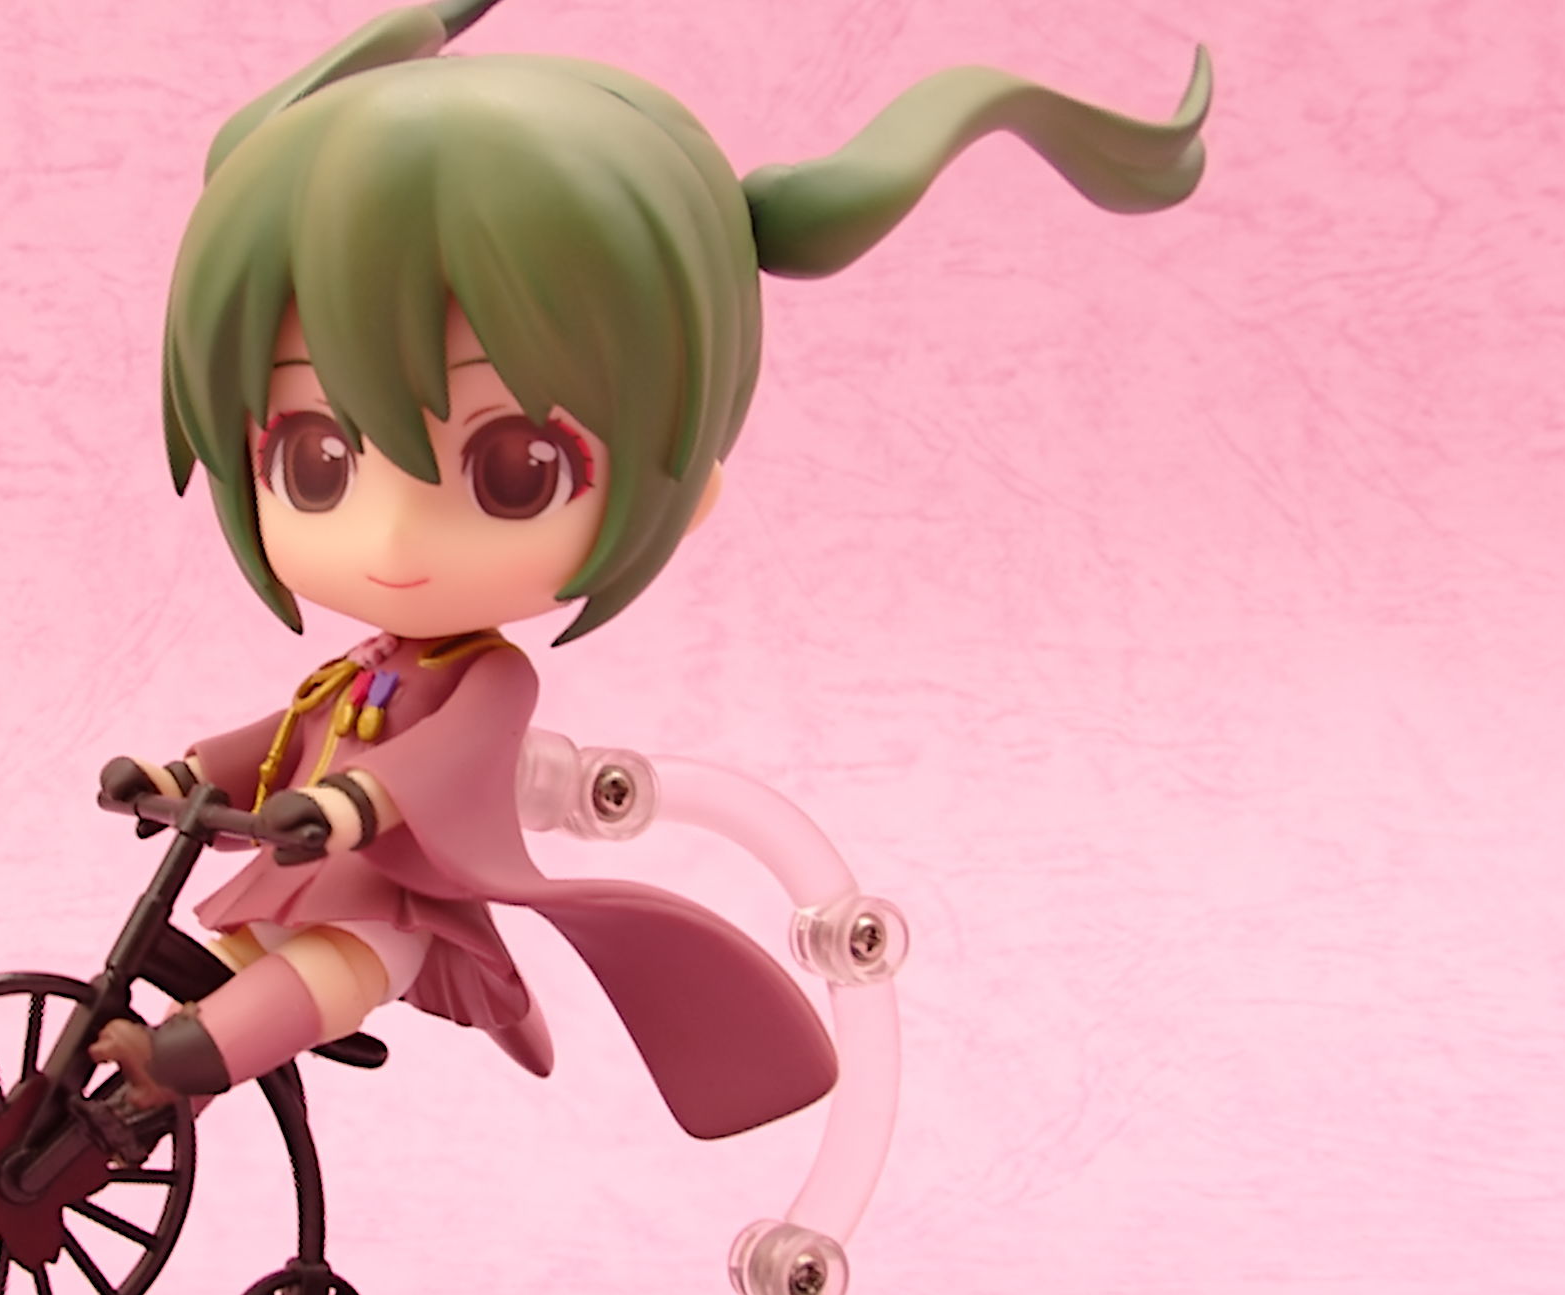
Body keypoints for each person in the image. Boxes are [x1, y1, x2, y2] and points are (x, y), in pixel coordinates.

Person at [78, 0, 1211, 1160]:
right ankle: (137, 1104)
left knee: (319, 972)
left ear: (685, 482)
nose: (394, 535)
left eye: (511, 470)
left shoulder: (487, 681)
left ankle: (178, 1067)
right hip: (299, 875)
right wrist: (186, 773)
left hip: (395, 911)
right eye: (314, 461)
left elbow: (434, 763)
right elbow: (282, 734)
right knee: (228, 963)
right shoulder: (356, 669)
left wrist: (352, 804)